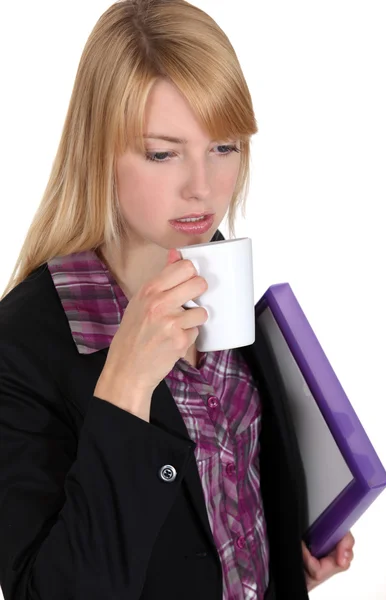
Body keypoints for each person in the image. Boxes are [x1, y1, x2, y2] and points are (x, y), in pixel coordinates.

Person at [0, 1, 355, 598]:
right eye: (163, 153)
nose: (204, 186)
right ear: (97, 151)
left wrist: (278, 544)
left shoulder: (223, 276)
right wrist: (125, 390)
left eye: (225, 147)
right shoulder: (22, 347)